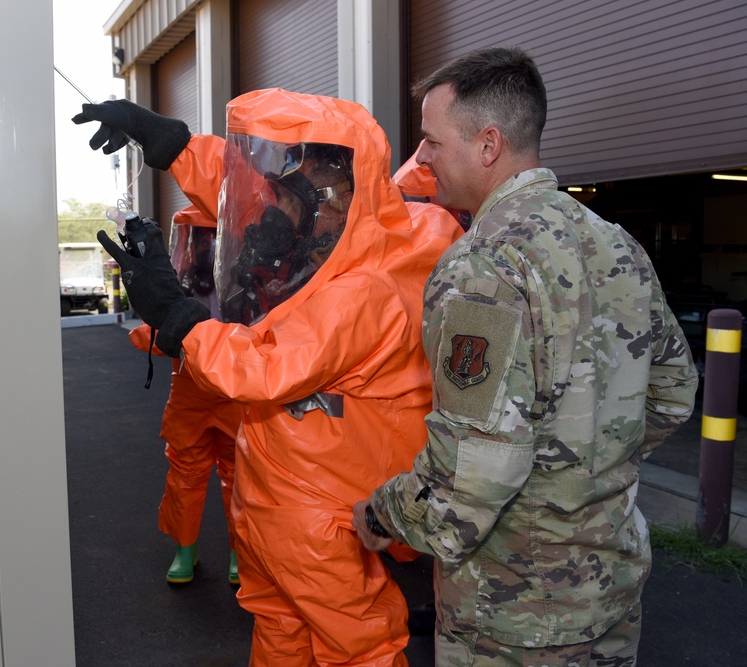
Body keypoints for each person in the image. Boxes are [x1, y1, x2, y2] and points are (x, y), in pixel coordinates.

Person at [75, 89, 462, 665]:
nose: (271, 212)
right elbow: (248, 200)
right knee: (281, 624)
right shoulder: (383, 236)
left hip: (315, 504)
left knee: (358, 644)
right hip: (286, 487)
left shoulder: (362, 294)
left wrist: (177, 315)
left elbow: (258, 369)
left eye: (291, 199)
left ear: (336, 203)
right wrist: (172, 143)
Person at [351, 46, 699, 666]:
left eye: (431, 140)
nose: (422, 158)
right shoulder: (614, 243)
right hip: (608, 589)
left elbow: (474, 473)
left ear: (488, 144)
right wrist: (584, 460)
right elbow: (672, 391)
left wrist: (384, 515)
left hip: (512, 615)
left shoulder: (482, 265)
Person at [128, 208, 241, 585]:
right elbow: (156, 338)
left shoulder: (244, 282)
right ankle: (185, 548)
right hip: (190, 391)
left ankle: (241, 551)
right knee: (184, 472)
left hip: (235, 389)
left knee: (240, 474)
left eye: (209, 237)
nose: (203, 246)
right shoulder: (181, 282)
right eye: (197, 238)